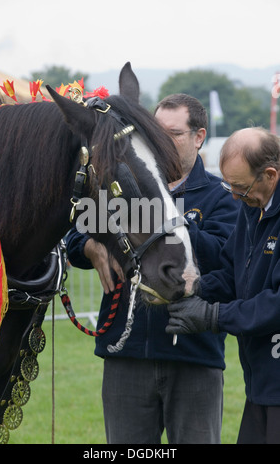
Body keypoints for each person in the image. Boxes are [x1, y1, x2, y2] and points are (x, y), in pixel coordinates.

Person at [66, 94, 239, 444]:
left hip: (194, 356)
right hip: (125, 354)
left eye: (173, 133)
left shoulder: (222, 196)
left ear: (199, 136)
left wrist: (169, 226)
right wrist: (91, 246)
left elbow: (223, 258)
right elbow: (76, 232)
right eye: (155, 131)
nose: (162, 140)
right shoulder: (127, 190)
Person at [165, 126, 280, 444]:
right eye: (230, 186)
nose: (233, 197)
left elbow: (275, 303)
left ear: (270, 174)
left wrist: (213, 316)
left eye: (240, 188)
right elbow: (234, 272)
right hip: (261, 382)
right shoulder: (253, 205)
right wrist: (197, 287)